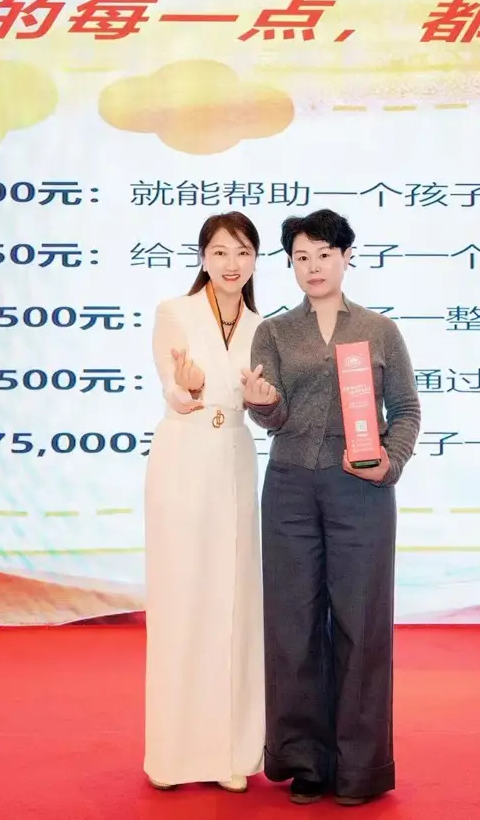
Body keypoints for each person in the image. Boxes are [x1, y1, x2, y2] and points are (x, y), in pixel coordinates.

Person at [243, 208, 422, 807]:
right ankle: (305, 760)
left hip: (361, 492)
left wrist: (388, 462)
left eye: (324, 254)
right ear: (290, 265)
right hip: (291, 489)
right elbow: (274, 416)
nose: (313, 266)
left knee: (360, 625)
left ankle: (361, 767)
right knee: (292, 625)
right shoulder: (274, 332)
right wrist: (261, 403)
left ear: (347, 257)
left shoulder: (379, 330)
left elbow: (406, 410)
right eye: (301, 257)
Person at [142, 211, 266, 794]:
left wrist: (264, 400)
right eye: (219, 252)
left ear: (256, 259)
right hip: (183, 457)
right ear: (202, 258)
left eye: (242, 252)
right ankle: (172, 755)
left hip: (235, 458)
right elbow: (170, 384)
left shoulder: (264, 327)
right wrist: (184, 387)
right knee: (182, 599)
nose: (231, 264)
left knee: (234, 602)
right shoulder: (176, 312)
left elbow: (264, 402)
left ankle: (230, 753)